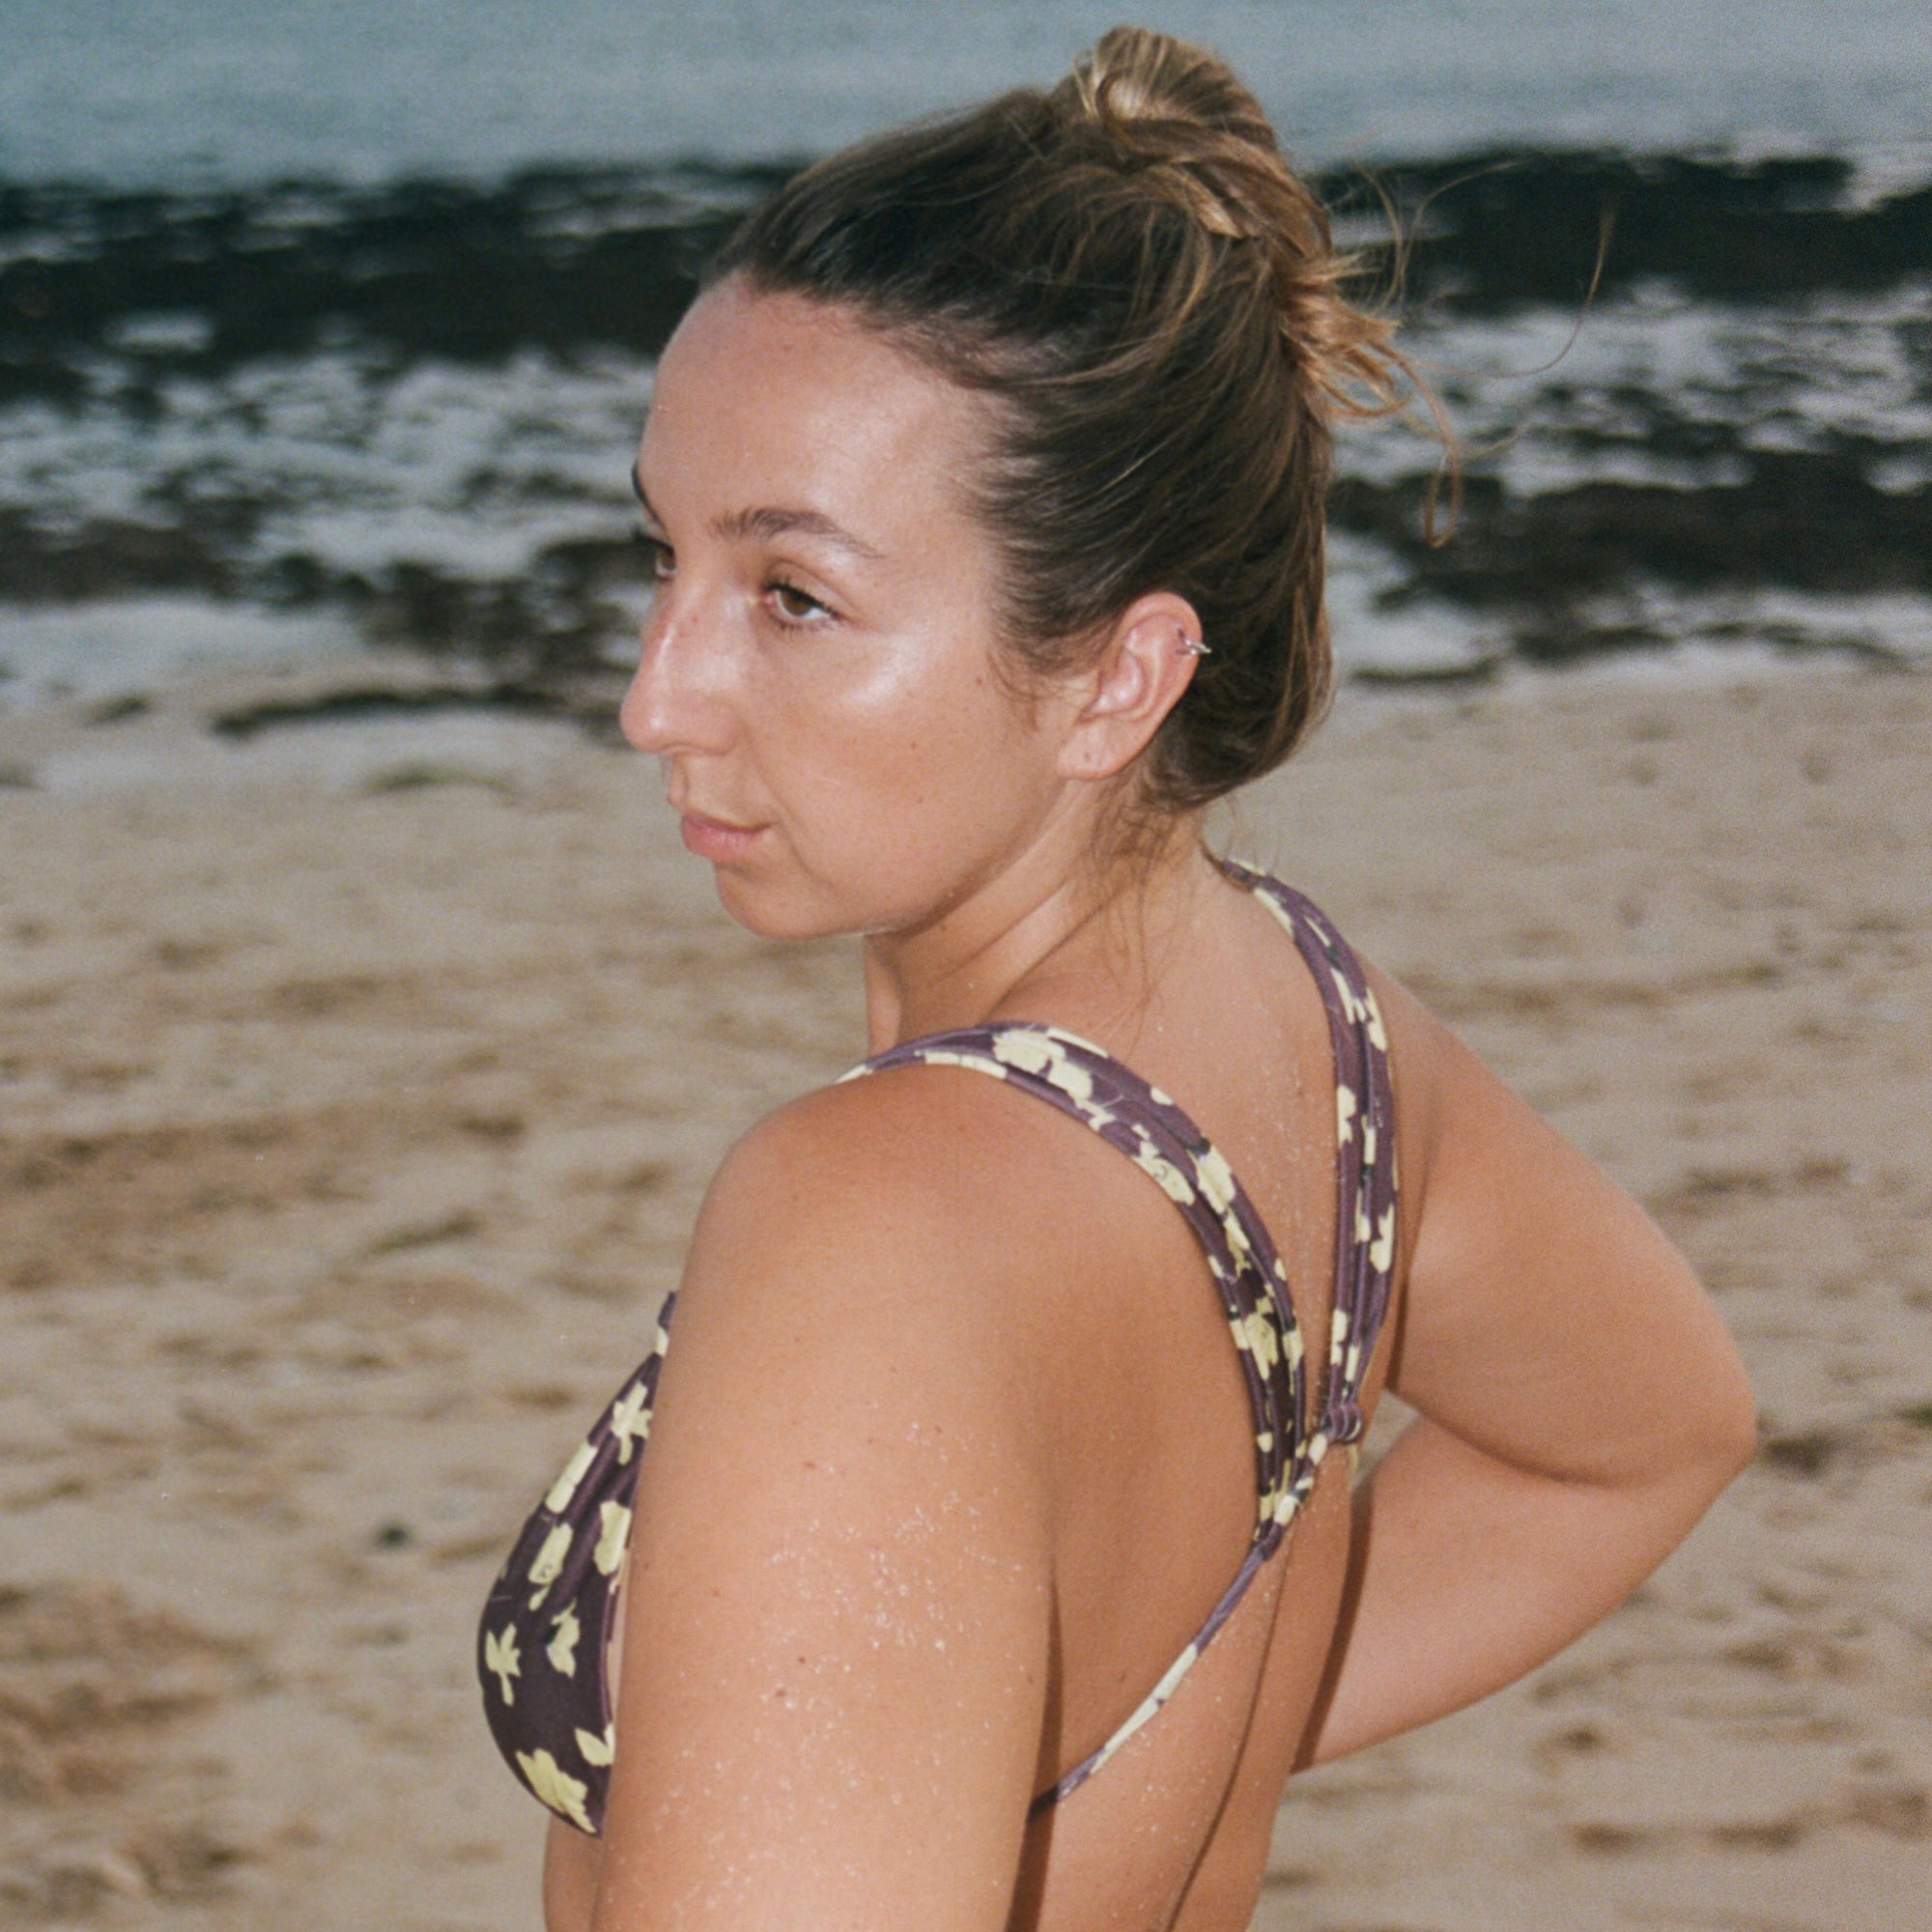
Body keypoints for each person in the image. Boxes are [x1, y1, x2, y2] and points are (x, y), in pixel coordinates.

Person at [476, 26, 1757, 1930]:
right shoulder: (1327, 1042)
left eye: (794, 597)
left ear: (1116, 677)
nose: (654, 697)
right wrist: (1070, 1754)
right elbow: (1637, 1433)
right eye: (663, 556)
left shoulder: (871, 1224)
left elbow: (1647, 1440)